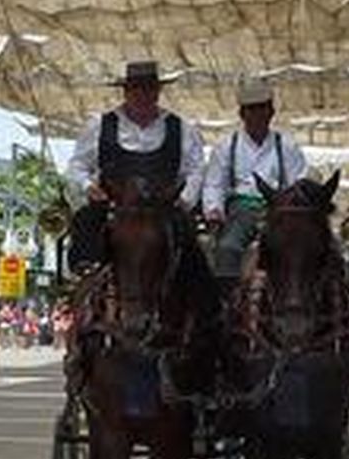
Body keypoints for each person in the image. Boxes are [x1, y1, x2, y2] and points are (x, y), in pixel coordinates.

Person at [63, 59, 205, 273]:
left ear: (157, 92)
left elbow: (196, 169)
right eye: (136, 89)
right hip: (112, 206)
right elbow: (76, 167)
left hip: (164, 208)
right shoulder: (99, 126)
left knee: (191, 250)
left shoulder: (182, 128)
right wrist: (87, 186)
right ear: (126, 92)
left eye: (148, 89)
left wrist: (185, 199)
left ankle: (201, 302)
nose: (142, 95)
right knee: (86, 222)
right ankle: (85, 281)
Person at [200, 78, 308, 291]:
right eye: (252, 110)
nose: (258, 115)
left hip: (281, 211)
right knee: (228, 247)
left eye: (263, 109)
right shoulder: (226, 146)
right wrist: (214, 210)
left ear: (271, 112)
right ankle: (227, 304)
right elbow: (214, 184)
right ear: (242, 114)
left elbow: (299, 182)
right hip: (240, 209)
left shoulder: (286, 145)